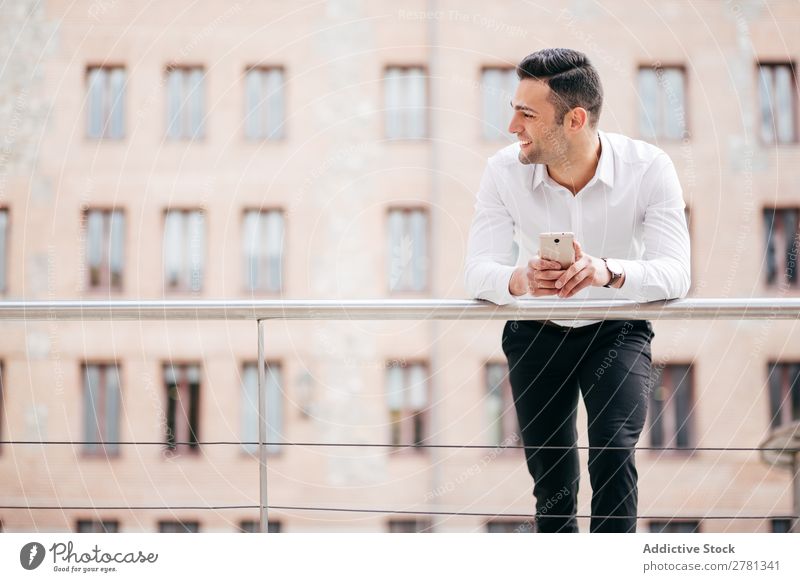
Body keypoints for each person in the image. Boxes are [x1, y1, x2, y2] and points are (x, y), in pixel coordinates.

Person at [464, 48, 691, 533]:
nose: (512, 127)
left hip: (617, 329)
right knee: (553, 482)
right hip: (534, 332)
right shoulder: (503, 171)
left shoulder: (649, 167)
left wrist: (606, 271)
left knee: (612, 452)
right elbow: (476, 270)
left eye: (526, 114)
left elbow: (676, 272)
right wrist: (518, 280)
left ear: (574, 119)